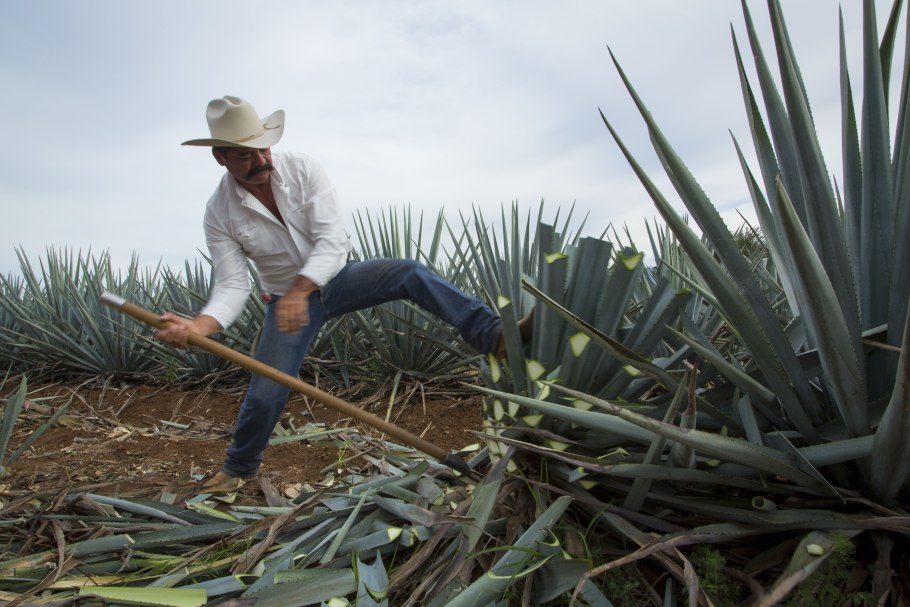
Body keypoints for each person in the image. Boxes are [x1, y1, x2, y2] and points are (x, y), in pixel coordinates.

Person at [156, 96, 525, 489]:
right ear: (220, 158)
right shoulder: (220, 212)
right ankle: (239, 468)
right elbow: (232, 284)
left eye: (263, 148)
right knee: (266, 391)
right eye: (245, 155)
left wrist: (303, 288)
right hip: (286, 305)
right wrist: (199, 327)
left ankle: (493, 335)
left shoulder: (303, 169)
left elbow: (331, 242)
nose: (261, 160)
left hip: (339, 277)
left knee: (407, 272)